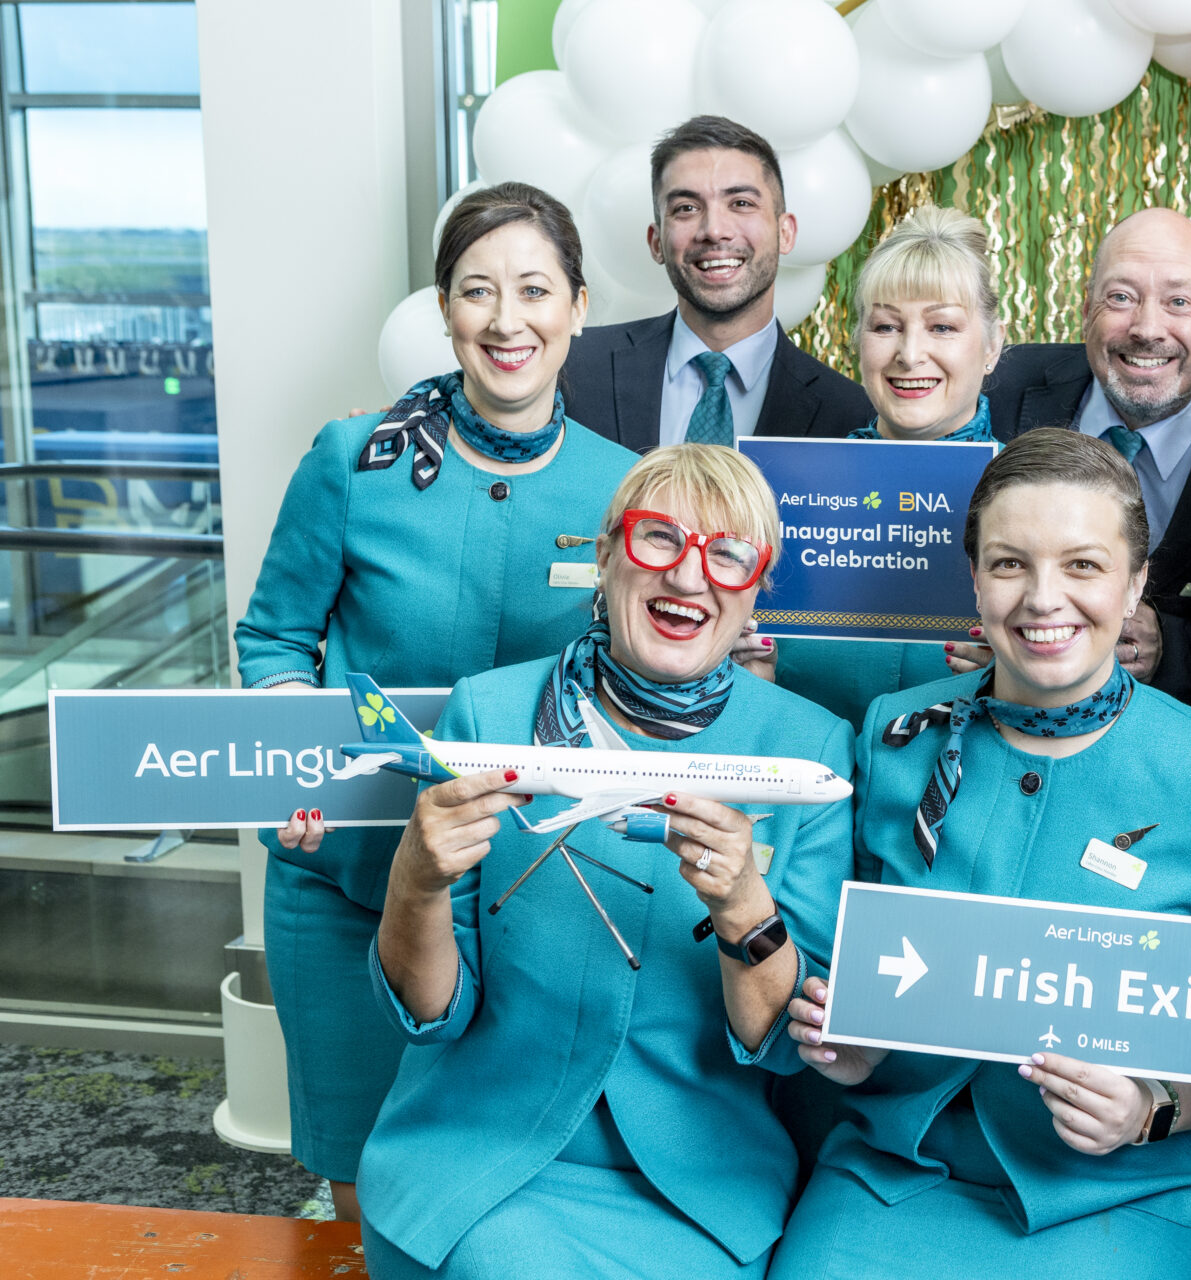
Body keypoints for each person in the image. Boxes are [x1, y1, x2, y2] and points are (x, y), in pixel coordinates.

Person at [763, 430, 1191, 1278]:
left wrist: (1151, 1107)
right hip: (894, 1171)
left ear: (1135, 584)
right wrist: (846, 1044)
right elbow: (836, 969)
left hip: (1121, 1193)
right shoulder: (895, 734)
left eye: (1083, 566)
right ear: (974, 579)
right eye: (1011, 564)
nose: (1045, 599)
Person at [232, 183, 636, 1219]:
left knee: (503, 1189)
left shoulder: (627, 489)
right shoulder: (352, 460)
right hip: (350, 884)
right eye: (477, 290)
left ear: (579, 306)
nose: (507, 320)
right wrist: (293, 755)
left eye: (535, 289)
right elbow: (273, 637)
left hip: (533, 902)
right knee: (364, 1181)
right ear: (444, 308)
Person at [355, 444, 855, 1279]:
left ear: (757, 590)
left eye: (728, 555)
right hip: (479, 1161)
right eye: (660, 538)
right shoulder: (491, 711)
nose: (688, 577)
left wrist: (743, 907)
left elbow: (785, 1048)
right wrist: (416, 880)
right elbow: (430, 1013)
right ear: (606, 553)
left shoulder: (811, 745)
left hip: (698, 1187)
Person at [984, 208, 1191, 713]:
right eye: (1121, 298)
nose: (1147, 328)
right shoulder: (996, 386)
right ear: (1086, 306)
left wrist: (1169, 647)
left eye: (1178, 302)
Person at [769, 204, 1005, 724]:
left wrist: (1024, 673)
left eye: (942, 326)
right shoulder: (787, 492)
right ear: (858, 340)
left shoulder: (1036, 498)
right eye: (886, 326)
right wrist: (746, 671)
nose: (910, 353)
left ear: (992, 345)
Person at [562, 115, 870, 451]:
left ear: (785, 233)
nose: (714, 230)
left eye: (741, 204)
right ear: (656, 242)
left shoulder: (851, 416)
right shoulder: (571, 368)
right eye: (687, 208)